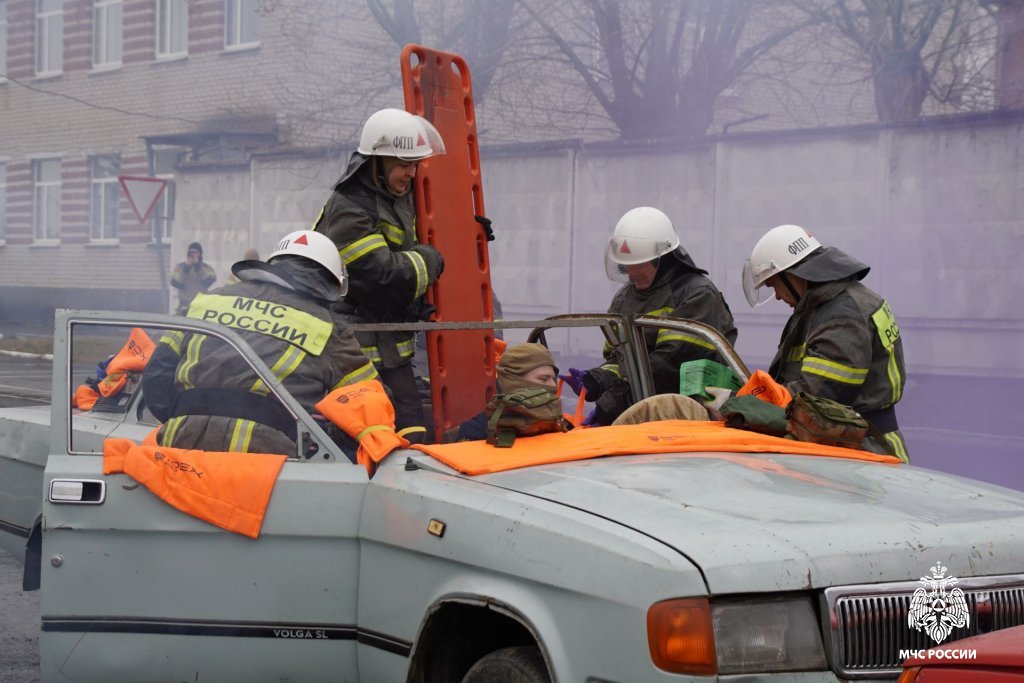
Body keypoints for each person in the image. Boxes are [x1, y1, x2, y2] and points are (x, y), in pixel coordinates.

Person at [143, 230, 379, 455]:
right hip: (270, 462)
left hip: (180, 448)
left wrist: (186, 421)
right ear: (330, 282)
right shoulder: (329, 328)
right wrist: (323, 439)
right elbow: (368, 406)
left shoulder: (208, 301)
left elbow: (156, 376)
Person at [313, 108, 446, 439]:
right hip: (354, 354)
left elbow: (425, 230)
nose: (411, 173)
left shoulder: (396, 195)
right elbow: (380, 276)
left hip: (391, 351)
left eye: (415, 164)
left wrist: (467, 231)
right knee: (365, 438)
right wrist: (430, 259)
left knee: (412, 432)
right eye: (403, 163)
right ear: (376, 162)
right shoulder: (350, 206)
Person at [742, 224, 909, 461]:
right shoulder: (825, 307)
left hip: (864, 452)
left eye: (773, 285)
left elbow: (817, 397)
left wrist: (747, 403)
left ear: (791, 274)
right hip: (848, 447)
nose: (777, 296)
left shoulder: (842, 315)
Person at [561, 207, 738, 425]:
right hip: (640, 412)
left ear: (662, 258)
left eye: (639, 264)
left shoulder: (697, 295)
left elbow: (669, 369)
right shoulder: (625, 298)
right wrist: (598, 379)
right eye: (626, 266)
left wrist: (612, 404)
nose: (632, 274)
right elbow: (621, 361)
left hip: (690, 417)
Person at [442, 342, 559, 442]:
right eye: (543, 379)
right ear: (514, 382)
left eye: (553, 379)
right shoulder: (475, 432)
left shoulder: (561, 424)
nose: (553, 385)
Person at [170, 241, 217, 315]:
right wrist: (185, 270)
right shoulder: (180, 267)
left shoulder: (206, 268)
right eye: (191, 253)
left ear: (200, 254)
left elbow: (209, 281)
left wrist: (199, 269)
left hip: (201, 305)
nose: (193, 255)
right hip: (184, 304)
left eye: (196, 253)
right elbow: (175, 282)